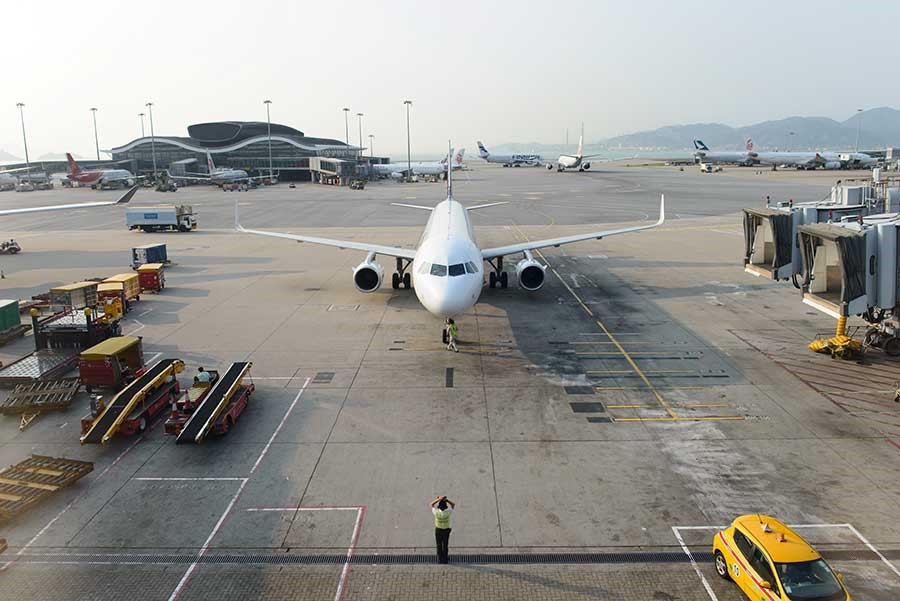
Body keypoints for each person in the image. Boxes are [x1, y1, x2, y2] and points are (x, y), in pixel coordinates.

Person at [430, 495, 455, 564]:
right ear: (446, 506)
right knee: (445, 545)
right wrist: (446, 500)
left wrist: (438, 499)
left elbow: (431, 504)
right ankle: (445, 559)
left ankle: (439, 559)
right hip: (446, 530)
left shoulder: (436, 512)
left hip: (438, 530)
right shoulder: (448, 512)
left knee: (439, 545)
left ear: (439, 506)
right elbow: (453, 505)